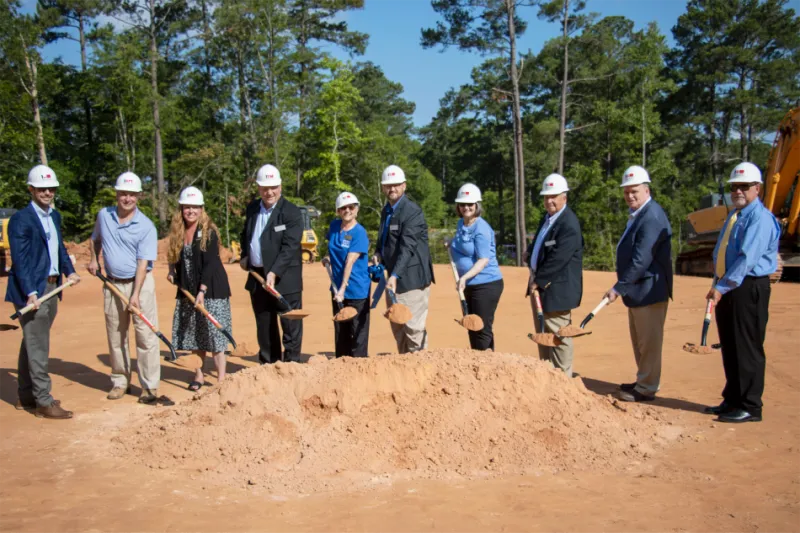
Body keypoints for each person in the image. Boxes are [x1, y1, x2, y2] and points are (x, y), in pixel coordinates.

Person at [704, 162, 779, 423]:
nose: (738, 191)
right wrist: (718, 283)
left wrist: (721, 287)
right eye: (734, 186)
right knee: (731, 344)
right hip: (729, 286)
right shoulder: (736, 215)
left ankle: (750, 405)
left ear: (757, 188)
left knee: (747, 347)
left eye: (744, 186)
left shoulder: (759, 218)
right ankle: (732, 399)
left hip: (748, 287)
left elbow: (747, 259)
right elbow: (723, 253)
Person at [5, 165, 80, 419]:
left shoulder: (54, 216)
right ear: (31, 189)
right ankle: (44, 401)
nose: (47, 192)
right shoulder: (21, 219)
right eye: (41, 188)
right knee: (39, 345)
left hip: (52, 286)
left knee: (32, 341)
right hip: (32, 291)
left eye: (51, 188)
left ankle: (26, 395)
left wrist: (69, 271)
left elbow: (59, 248)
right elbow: (20, 259)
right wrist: (30, 291)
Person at [87, 172, 161, 404]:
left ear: (139, 196)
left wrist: (135, 295)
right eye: (123, 193)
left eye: (132, 194)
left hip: (140, 285)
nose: (127, 198)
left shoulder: (146, 227)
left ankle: (149, 387)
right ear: (117, 194)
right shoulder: (104, 216)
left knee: (145, 337)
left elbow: (142, 263)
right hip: (112, 284)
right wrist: (93, 259)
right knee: (116, 336)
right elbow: (94, 239)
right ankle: (120, 381)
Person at [602, 165, 673, 402]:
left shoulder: (651, 216)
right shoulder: (639, 215)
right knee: (640, 341)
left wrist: (618, 287)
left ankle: (647, 387)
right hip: (638, 291)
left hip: (649, 290)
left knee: (649, 342)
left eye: (635, 191)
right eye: (626, 192)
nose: (630, 196)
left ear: (646, 190)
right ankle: (643, 379)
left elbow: (641, 259)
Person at [167, 187, 233, 390]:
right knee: (196, 335)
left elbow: (211, 263)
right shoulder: (178, 231)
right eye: (187, 207)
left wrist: (202, 291)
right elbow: (173, 254)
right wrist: (172, 271)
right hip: (188, 290)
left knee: (215, 336)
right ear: (181, 208)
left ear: (201, 209)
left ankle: (221, 380)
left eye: (195, 207)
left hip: (211, 289)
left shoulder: (208, 232)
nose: (191, 211)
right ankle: (199, 376)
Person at [240, 164, 304, 363]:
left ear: (280, 187)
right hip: (258, 277)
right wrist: (245, 255)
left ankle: (292, 366)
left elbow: (290, 246)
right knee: (265, 325)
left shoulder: (291, 212)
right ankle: (269, 365)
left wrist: (274, 271)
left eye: (273, 187)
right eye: (265, 188)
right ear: (259, 188)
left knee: (290, 325)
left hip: (284, 279)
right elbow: (246, 234)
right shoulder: (252, 208)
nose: (269, 192)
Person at [525, 174, 583, 375]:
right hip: (541, 289)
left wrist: (538, 281)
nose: (549, 201)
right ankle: (548, 375)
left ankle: (563, 378)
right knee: (544, 334)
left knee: (559, 336)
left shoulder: (568, 224)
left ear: (564, 197)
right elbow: (541, 242)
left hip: (557, 291)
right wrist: (530, 253)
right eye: (546, 196)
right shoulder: (548, 218)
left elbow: (559, 258)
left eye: (554, 196)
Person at [374, 164, 435, 353]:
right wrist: (378, 253)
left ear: (404, 186)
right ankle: (404, 370)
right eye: (388, 185)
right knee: (398, 328)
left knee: (413, 329)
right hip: (393, 279)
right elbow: (385, 238)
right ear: (383, 187)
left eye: (396, 185)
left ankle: (421, 372)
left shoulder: (412, 211)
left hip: (411, 280)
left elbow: (407, 247)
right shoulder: (387, 210)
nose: (392, 189)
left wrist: (394, 275)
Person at [449, 183, 504, 351]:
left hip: (485, 284)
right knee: (471, 325)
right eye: (463, 204)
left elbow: (483, 260)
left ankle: (487, 365)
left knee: (481, 328)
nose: (466, 207)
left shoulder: (482, 228)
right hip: (469, 285)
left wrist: (464, 277)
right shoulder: (461, 224)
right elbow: (464, 246)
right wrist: (451, 243)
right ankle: (476, 360)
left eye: (470, 204)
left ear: (476, 205)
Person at [322, 192, 370, 357]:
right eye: (343, 208)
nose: (347, 210)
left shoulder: (359, 233)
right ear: (338, 211)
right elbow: (333, 249)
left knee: (357, 332)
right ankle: (341, 366)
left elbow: (350, 261)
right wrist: (328, 258)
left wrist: (343, 288)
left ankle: (359, 365)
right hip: (336, 288)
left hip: (356, 289)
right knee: (340, 329)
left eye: (351, 207)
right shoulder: (334, 226)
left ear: (356, 209)